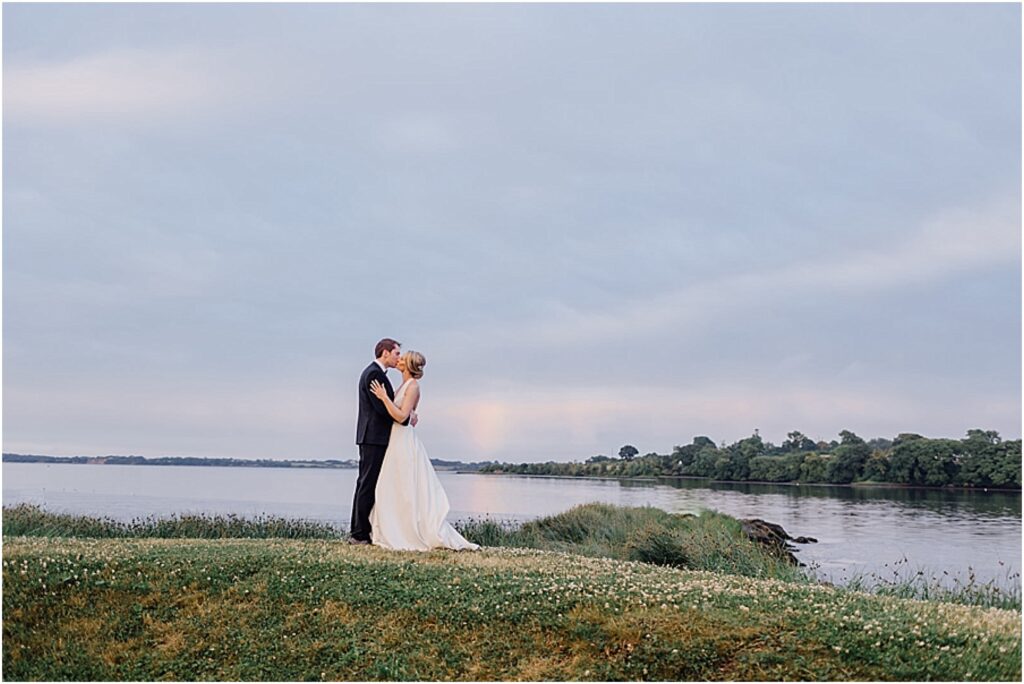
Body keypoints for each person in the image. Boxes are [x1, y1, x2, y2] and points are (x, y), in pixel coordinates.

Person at [368, 350, 479, 551]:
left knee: (404, 486)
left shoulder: (413, 387)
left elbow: (401, 417)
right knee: (391, 485)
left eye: (402, 358)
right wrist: (410, 413)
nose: (399, 360)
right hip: (394, 439)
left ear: (408, 365)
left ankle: (406, 531)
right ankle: (390, 527)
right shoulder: (404, 385)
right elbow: (409, 414)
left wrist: (384, 398)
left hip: (402, 439)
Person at [349, 338, 413, 544]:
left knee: (366, 483)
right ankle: (359, 533)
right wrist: (406, 418)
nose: (398, 358)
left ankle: (360, 530)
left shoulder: (374, 373)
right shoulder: (374, 375)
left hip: (372, 436)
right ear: (384, 353)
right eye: (396, 354)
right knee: (367, 484)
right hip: (373, 437)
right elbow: (381, 409)